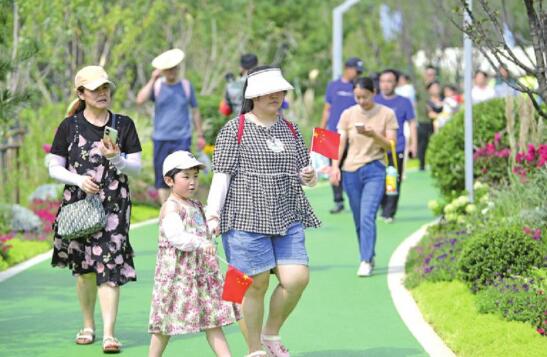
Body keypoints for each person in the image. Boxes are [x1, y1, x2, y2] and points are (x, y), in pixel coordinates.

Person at [207, 66, 320, 357]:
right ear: (254, 95)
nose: (276, 96)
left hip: (286, 215)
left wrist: (308, 176)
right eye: (270, 92)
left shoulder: (291, 129)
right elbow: (222, 175)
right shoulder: (235, 129)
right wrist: (213, 215)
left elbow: (304, 173)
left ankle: (271, 333)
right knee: (253, 285)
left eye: (280, 91)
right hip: (244, 216)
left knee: (296, 279)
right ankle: (255, 349)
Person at [49, 65, 142, 353]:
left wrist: (117, 160)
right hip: (78, 206)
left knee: (109, 265)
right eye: (95, 89)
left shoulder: (123, 124)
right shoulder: (69, 126)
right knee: (84, 270)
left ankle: (109, 334)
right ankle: (88, 325)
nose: (102, 93)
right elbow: (54, 167)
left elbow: (137, 168)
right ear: (81, 93)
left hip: (114, 205)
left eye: (105, 88)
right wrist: (78, 179)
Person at [148, 151, 241, 357]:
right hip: (177, 277)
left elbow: (202, 226)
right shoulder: (171, 207)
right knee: (164, 324)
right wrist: (200, 242)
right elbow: (177, 237)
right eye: (186, 177)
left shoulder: (195, 205)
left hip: (201, 275)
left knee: (213, 320)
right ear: (169, 180)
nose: (192, 182)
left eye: (195, 177)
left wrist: (211, 229)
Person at [331, 77, 398, 277]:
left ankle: (366, 259)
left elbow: (391, 145)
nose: (361, 101)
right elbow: (340, 143)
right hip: (350, 170)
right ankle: (368, 253)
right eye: (357, 97)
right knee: (359, 218)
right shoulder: (348, 114)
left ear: (373, 93)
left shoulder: (387, 114)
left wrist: (373, 135)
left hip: (375, 169)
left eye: (365, 97)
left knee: (368, 215)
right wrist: (335, 167)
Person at [136, 48, 206, 203]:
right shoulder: (157, 86)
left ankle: (186, 211)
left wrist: (200, 134)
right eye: (167, 69)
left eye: (174, 68)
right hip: (161, 138)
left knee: (185, 175)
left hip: (182, 138)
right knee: (163, 177)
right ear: (162, 71)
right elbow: (140, 100)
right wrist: (152, 79)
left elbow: (195, 111)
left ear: (178, 69)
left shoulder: (186, 86)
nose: (171, 72)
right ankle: (166, 213)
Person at [320, 57, 364, 214]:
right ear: (348, 68)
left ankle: (356, 198)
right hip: (333, 134)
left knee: (352, 167)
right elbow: (327, 109)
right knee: (334, 168)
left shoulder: (358, 87)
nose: (357, 74)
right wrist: (321, 131)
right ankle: (338, 201)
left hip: (352, 134)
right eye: (356, 71)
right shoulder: (333, 86)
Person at [374, 69, 417, 223]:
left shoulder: (404, 102)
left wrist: (413, 145)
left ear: (396, 83)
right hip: (376, 150)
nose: (385, 85)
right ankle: (381, 205)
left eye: (389, 81)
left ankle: (389, 211)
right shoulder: (374, 100)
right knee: (378, 180)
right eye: (382, 81)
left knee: (392, 180)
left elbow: (412, 124)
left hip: (395, 148)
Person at [418, 80, 443, 170]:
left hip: (442, 127)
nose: (436, 89)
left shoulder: (444, 100)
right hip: (427, 125)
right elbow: (430, 114)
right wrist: (441, 116)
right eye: (433, 87)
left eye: (437, 87)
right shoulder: (426, 102)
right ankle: (422, 164)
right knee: (424, 145)